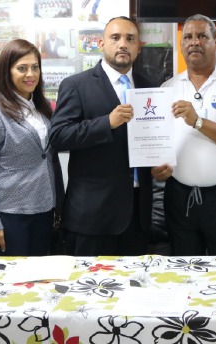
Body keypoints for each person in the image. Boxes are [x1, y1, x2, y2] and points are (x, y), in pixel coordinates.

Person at [151, 14, 216, 256]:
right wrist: (156, 167)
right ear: (181, 46)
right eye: (187, 37)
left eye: (202, 36)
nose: (194, 42)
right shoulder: (167, 88)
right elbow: (158, 145)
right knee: (184, 269)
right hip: (179, 197)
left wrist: (198, 121)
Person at [49, 16, 153, 256]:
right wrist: (107, 123)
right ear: (101, 43)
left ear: (139, 46)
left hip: (137, 214)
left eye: (130, 39)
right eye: (115, 38)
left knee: (133, 287)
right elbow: (59, 136)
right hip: (92, 216)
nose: (123, 44)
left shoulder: (149, 85)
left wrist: (158, 165)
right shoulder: (76, 85)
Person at [0, 39, 64, 256]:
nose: (30, 74)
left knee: (39, 278)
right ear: (7, 71)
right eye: (22, 68)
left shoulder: (41, 109)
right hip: (9, 215)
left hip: (43, 210)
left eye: (35, 67)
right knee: (11, 282)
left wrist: (58, 204)